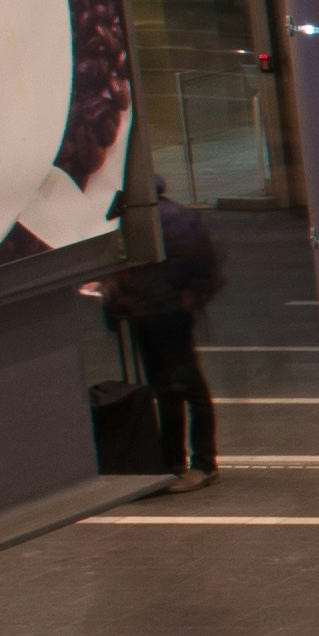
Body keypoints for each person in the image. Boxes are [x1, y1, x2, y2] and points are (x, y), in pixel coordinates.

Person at [96, 177, 223, 489]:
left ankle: (196, 463)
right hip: (159, 311)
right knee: (174, 387)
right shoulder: (166, 216)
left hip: (160, 312)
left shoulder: (153, 219)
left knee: (180, 387)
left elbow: (195, 263)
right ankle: (181, 462)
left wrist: (118, 304)